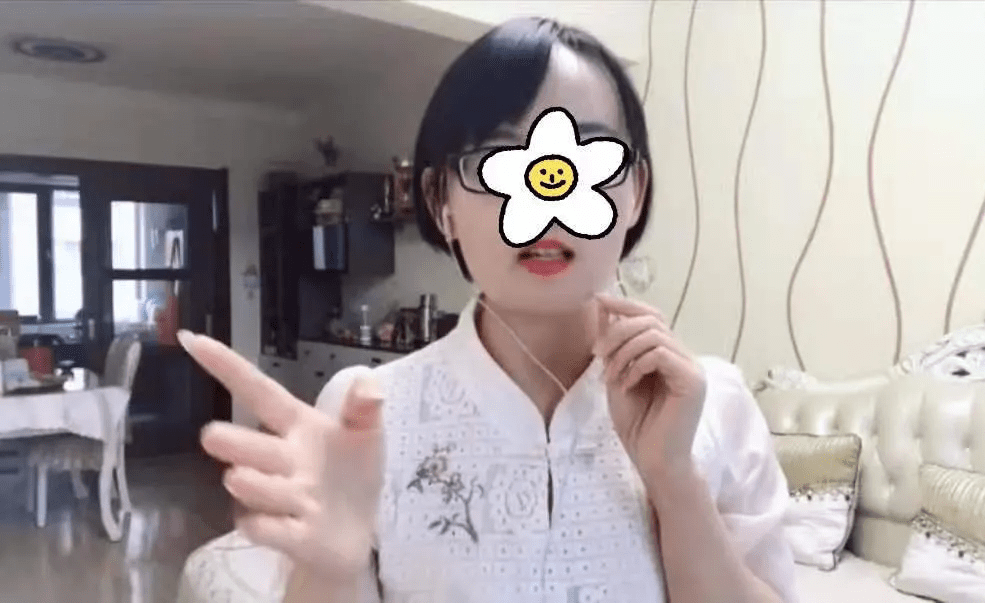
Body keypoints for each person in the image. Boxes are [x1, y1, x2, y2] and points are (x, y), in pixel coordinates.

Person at [181, 17, 798, 603]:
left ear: (633, 191)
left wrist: (674, 481)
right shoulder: (367, 415)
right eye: (499, 157)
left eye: (588, 151)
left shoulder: (713, 406)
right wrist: (329, 568)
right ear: (439, 201)